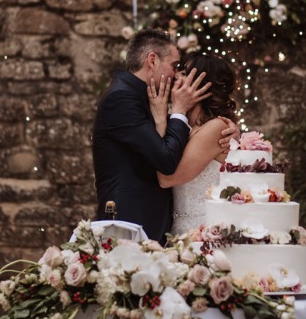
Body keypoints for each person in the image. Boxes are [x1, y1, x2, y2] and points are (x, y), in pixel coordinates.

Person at [91, 28, 235, 243]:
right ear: (152, 61)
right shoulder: (122, 98)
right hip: (131, 220)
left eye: (181, 70)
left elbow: (173, 143)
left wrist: (231, 130)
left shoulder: (152, 100)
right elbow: (166, 160)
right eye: (175, 66)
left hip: (164, 226)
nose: (176, 75)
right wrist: (174, 113)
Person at [148, 51, 240, 236]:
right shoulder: (180, 125)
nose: (175, 75)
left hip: (204, 231)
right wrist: (160, 120)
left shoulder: (216, 128)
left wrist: (165, 119)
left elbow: (167, 179)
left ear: (200, 84)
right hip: (179, 230)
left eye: (182, 71)